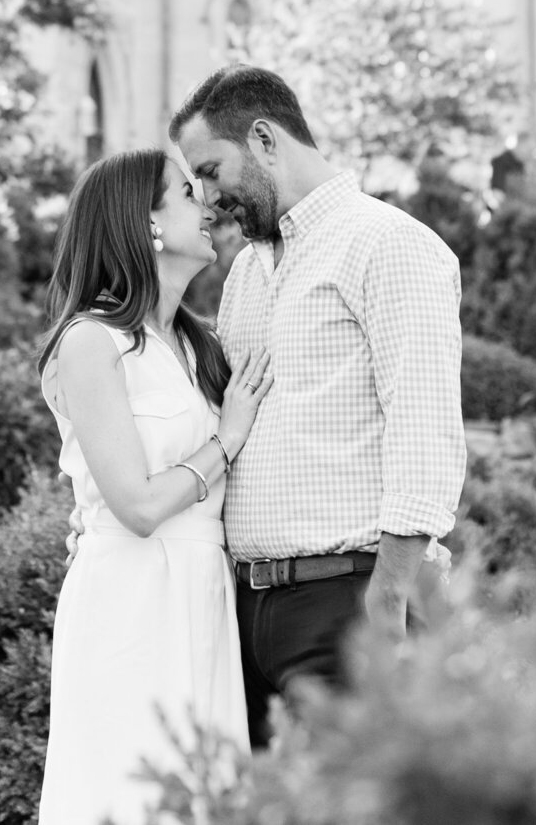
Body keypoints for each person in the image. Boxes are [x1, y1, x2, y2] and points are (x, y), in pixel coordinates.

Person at [172, 66, 465, 747]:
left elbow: (424, 432)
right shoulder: (247, 269)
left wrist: (389, 596)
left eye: (212, 170)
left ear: (265, 138)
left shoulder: (390, 244)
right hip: (246, 611)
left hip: (348, 604)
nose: (209, 200)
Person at [36, 149, 272, 825]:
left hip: (203, 593)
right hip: (131, 598)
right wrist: (224, 440)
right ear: (147, 226)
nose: (210, 206)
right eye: (188, 194)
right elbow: (135, 505)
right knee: (128, 796)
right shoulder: (90, 342)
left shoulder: (202, 347)